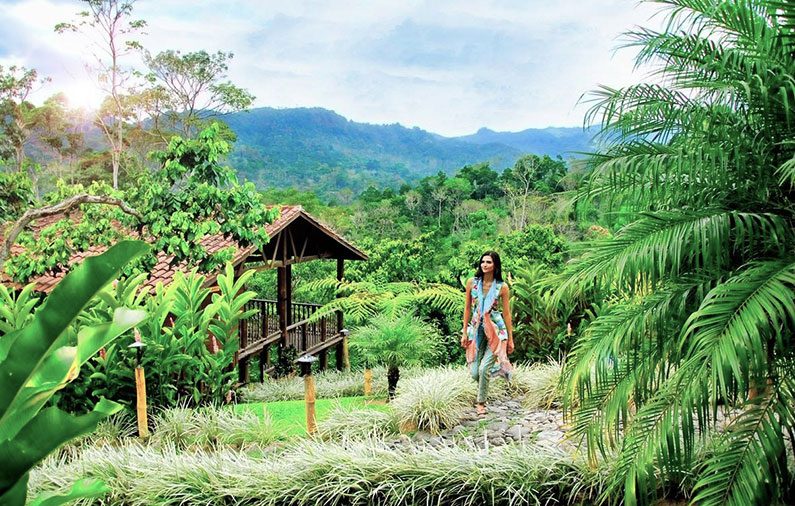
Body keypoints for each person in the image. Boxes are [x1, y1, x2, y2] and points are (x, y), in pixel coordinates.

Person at [461, 251, 514, 416]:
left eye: (489, 262)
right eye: (483, 262)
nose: (484, 264)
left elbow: (506, 314)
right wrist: (464, 332)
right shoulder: (472, 283)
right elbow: (468, 308)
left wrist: (510, 339)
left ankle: (481, 404)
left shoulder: (502, 287)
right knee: (476, 372)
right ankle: (500, 370)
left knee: (484, 369)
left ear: (495, 265)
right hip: (477, 330)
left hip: (496, 331)